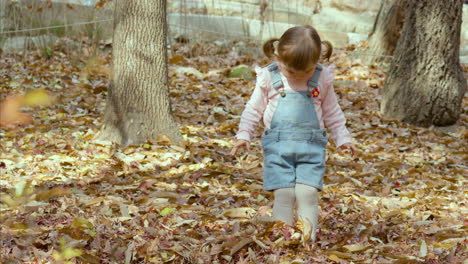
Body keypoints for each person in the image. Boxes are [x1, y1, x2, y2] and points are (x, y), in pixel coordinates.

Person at [230, 25, 358, 242]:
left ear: (318, 61)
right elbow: (253, 109)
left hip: (312, 148)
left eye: (306, 72)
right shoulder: (269, 77)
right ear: (278, 57)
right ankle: (282, 238)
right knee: (284, 194)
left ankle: (308, 240)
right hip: (278, 148)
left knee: (307, 193)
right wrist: (244, 135)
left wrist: (343, 138)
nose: (299, 77)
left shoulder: (322, 79)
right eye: (291, 72)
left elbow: (333, 112)